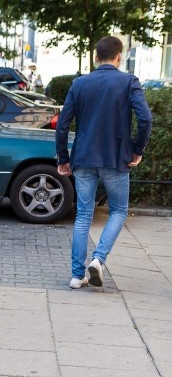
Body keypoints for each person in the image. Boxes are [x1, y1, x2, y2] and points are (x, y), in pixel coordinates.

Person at [55, 36, 152, 290]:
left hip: (84, 157)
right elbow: (145, 119)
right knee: (118, 211)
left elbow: (62, 124)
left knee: (83, 214)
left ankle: (77, 276)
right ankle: (99, 259)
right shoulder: (128, 82)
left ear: (96, 57)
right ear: (119, 56)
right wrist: (137, 149)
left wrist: (63, 158)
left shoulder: (79, 84)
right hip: (115, 157)